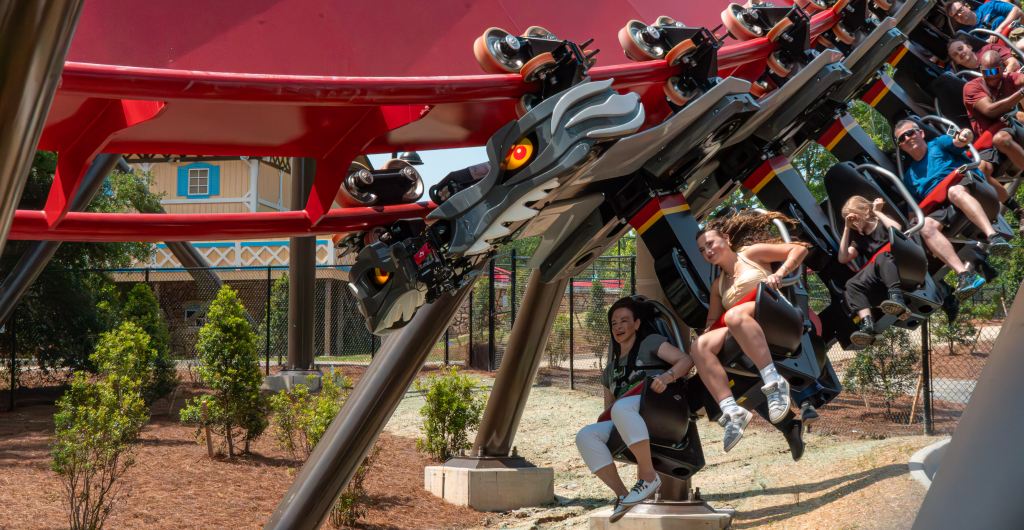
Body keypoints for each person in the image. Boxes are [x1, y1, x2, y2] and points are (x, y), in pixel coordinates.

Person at [689, 211, 808, 453]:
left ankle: (774, 382)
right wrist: (706, 333)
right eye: (702, 250)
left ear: (726, 239)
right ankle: (731, 411)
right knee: (698, 346)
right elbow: (713, 322)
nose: (707, 251)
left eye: (710, 244)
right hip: (744, 326)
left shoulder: (751, 255)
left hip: (776, 316)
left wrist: (780, 273)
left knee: (733, 315)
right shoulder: (718, 285)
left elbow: (798, 249)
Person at [575, 297, 695, 522]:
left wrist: (666, 377)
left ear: (637, 323)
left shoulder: (651, 342)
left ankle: (647, 476)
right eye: (614, 323)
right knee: (586, 435)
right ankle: (623, 496)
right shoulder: (609, 371)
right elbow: (609, 410)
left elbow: (686, 360)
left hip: (661, 409)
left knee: (621, 408)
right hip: (628, 415)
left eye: (624, 321)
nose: (618, 327)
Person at [893, 119, 1010, 284]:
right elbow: (914, 213)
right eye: (902, 138)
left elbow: (961, 140)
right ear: (901, 146)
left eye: (910, 133)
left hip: (973, 190)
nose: (907, 138)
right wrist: (913, 223)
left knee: (954, 191)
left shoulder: (939, 144)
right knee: (925, 227)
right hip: (948, 210)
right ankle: (964, 276)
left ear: (921, 133)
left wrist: (964, 135)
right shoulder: (909, 178)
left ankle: (994, 237)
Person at [839, 196, 910, 346]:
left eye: (854, 216)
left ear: (866, 210)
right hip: (880, 277)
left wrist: (878, 212)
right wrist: (847, 228)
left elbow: (897, 229)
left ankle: (897, 297)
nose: (853, 221)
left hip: (898, 264)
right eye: (849, 219)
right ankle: (867, 324)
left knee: (881, 256)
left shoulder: (881, 222)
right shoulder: (859, 239)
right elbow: (843, 258)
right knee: (852, 284)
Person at [963, 51, 1024, 178]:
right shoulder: (972, 87)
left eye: (995, 71)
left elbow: (1020, 79)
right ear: (981, 70)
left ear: (1002, 68)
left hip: (1012, 131)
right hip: (990, 146)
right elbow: (990, 111)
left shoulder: (1008, 78)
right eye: (987, 72)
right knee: (998, 142)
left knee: (1006, 132)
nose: (991, 75)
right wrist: (1021, 93)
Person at [948, 1, 1023, 41]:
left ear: (967, 6)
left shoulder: (988, 7)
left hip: (1015, 35)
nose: (959, 15)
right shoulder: (967, 36)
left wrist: (999, 30)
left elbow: (1016, 10)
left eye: (960, 10)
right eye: (955, 15)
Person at [947, 36, 1021, 73]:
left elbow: (1014, 64)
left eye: (960, 48)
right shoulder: (968, 78)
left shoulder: (989, 49)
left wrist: (1003, 78)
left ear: (969, 47)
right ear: (956, 62)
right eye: (955, 54)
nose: (959, 53)